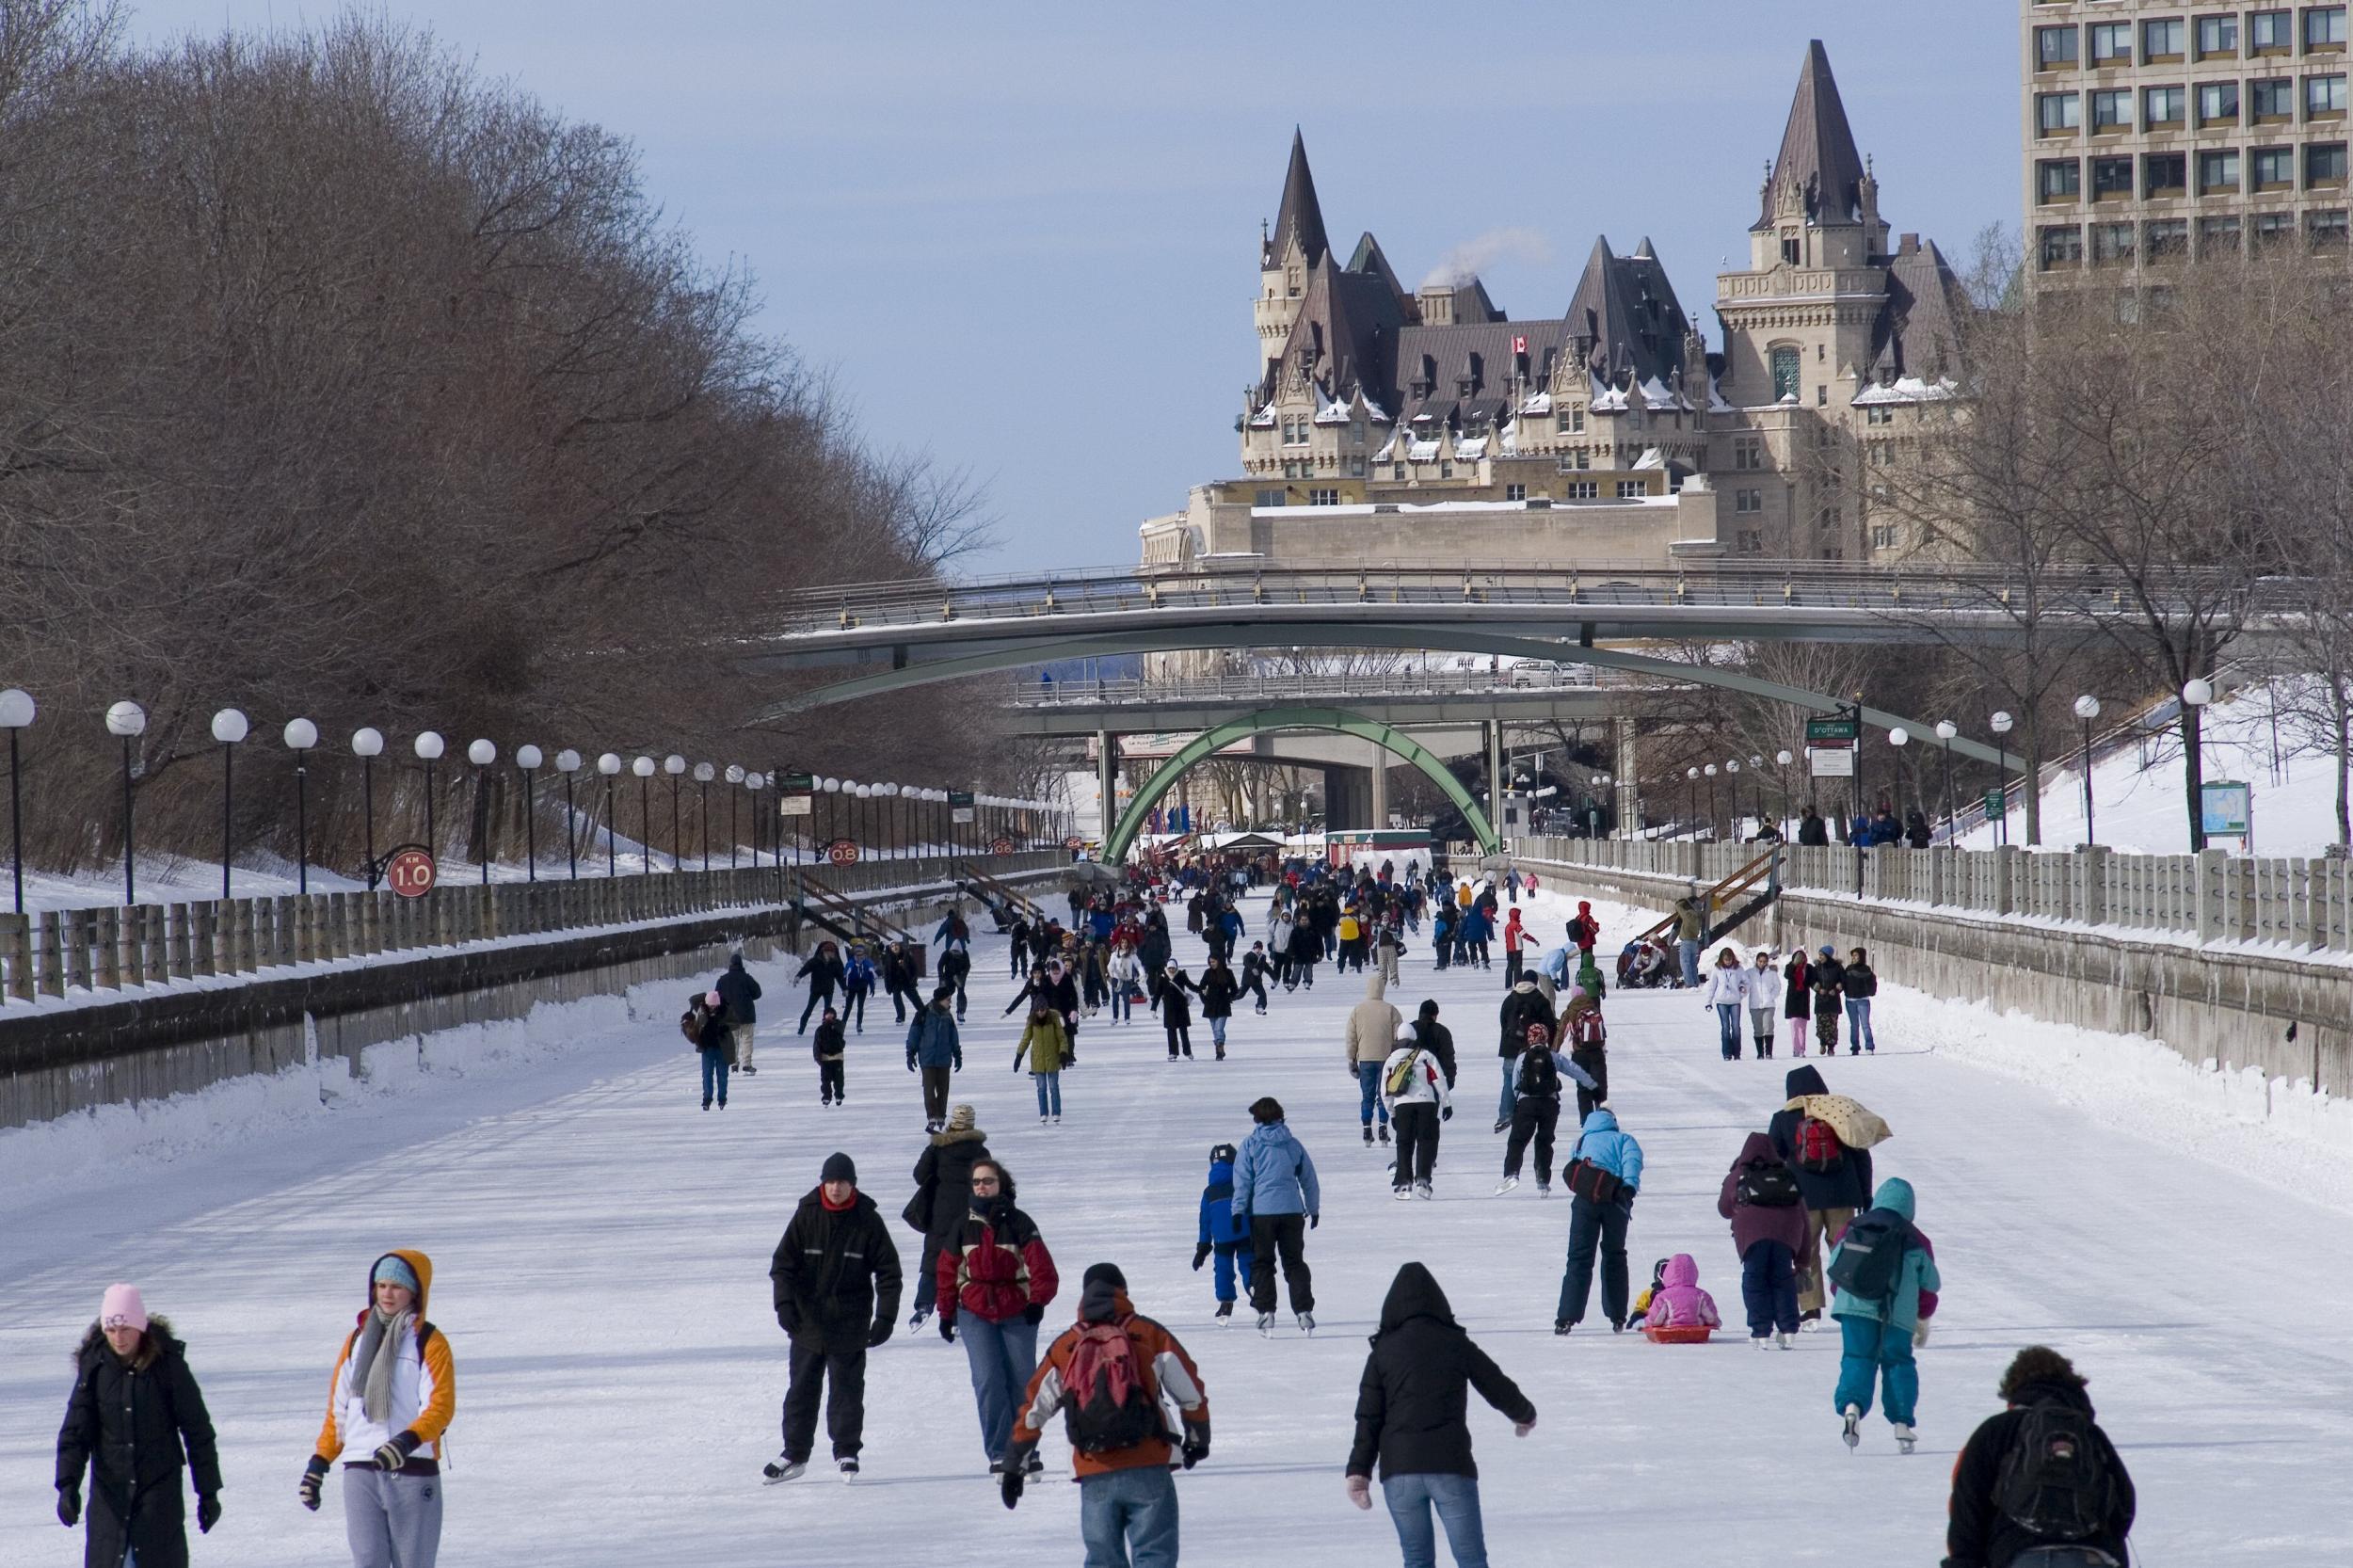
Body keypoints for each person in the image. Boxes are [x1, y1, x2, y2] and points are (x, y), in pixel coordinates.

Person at [999, 1263, 1209, 1568]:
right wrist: (1197, 1438)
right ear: (1124, 1292)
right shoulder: (1147, 1333)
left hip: (1094, 1468)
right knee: (1155, 1555)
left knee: (1103, 1560)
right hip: (1149, 1462)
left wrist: (1014, 1465)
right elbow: (1190, 1392)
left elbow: (1034, 1409)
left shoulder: (1067, 1345)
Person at [1344, 1263, 1536, 1568]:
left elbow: (1368, 1417)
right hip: (1450, 1466)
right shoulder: (1455, 1344)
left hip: (1400, 1472)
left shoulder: (1382, 1353)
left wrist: (1359, 1472)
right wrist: (1523, 1414)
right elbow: (1494, 1383)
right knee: (1471, 1560)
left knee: (1417, 1560)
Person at [300, 1252, 455, 1567]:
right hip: (360, 1468)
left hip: (412, 1468)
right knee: (367, 1561)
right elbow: (339, 1410)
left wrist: (405, 1442)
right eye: (381, 1285)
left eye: (396, 1286)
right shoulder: (357, 1340)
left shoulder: (429, 1342)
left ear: (415, 1291)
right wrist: (319, 1462)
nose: (386, 1293)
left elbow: (440, 1407)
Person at [56, 1284, 221, 1568]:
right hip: (111, 1498)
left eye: (126, 1329)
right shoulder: (94, 1369)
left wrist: (208, 1491)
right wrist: (67, 1485)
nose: (118, 1338)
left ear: (140, 1327)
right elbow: (76, 1432)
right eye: (111, 1330)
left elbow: (198, 1431)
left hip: (158, 1496)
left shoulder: (168, 1366)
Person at [766, 1152, 900, 1481]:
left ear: (852, 1185)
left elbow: (888, 1273)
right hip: (807, 1321)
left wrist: (885, 1317)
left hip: (850, 1322)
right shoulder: (807, 1215)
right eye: (830, 1181)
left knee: (847, 1391)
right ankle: (794, 1454)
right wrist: (784, 1305)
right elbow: (783, 1266)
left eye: (841, 1182)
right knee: (801, 1390)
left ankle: (847, 1452)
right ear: (822, 1183)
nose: (835, 1188)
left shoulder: (867, 1220)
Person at [1944, 1347, 2136, 1568]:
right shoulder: (2088, 1433)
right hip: (2093, 1556)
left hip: (2020, 1554)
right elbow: (2124, 1503)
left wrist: (1964, 1561)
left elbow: (1967, 1504)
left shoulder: (1996, 1430)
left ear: (2014, 1390)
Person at [936, 1158, 1060, 1474]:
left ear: (1000, 1184)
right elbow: (947, 1270)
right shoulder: (962, 1225)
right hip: (974, 1311)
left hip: (1017, 1309)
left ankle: (1025, 1449)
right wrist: (946, 1313)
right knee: (988, 1380)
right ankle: (1000, 1452)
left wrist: (1037, 1301)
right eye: (977, 1182)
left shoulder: (1019, 1222)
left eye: (988, 1181)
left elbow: (1043, 1267)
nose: (982, 1187)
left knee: (1022, 1380)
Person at [1830, 1177, 1940, 1451]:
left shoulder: (1853, 1227)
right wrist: (1922, 1312)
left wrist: (1846, 1299)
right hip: (1897, 1314)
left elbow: (1835, 1266)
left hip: (1854, 1308)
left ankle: (1852, 1408)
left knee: (1857, 1358)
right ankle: (1902, 1423)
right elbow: (1931, 1283)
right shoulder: (1916, 1238)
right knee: (1898, 1363)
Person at [1769, 1064, 1877, 1326]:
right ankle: (1849, 1300)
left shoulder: (1783, 1118)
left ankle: (1810, 1307)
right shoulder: (1838, 1112)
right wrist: (1865, 1194)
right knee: (1845, 1249)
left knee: (1806, 1252)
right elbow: (1862, 1156)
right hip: (1843, 1194)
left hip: (1805, 1198)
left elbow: (1773, 1158)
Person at [1229, 1096, 1321, 1335]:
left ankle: (1266, 1312)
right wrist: (1313, 1208)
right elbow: (1309, 1179)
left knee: (1262, 1263)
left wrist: (1238, 1210)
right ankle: (1303, 1311)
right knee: (1294, 1262)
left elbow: (1242, 1182)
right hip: (1291, 1212)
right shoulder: (1292, 1145)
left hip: (1262, 1214)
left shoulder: (1250, 1145)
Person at [1554, 1108, 1642, 1334]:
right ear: (1613, 1121)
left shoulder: (1582, 1141)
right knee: (1614, 1255)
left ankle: (1566, 1317)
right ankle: (1617, 1315)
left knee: (1578, 1258)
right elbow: (1632, 1161)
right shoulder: (1624, 1139)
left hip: (1584, 1203)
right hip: (1615, 1200)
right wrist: (1629, 1188)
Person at [1719, 1131, 1808, 1347]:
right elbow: (1804, 1217)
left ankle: (1760, 1330)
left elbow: (1724, 1209)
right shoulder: (1786, 1174)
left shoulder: (1738, 1174)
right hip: (1786, 1236)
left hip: (1752, 1237)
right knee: (1783, 1280)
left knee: (1754, 1281)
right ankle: (1788, 1329)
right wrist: (1803, 1259)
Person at [907, 1104, 992, 1327]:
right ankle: (956, 1316)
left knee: (933, 1261)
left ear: (952, 1123)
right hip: (970, 1218)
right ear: (972, 1124)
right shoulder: (981, 1153)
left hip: (940, 1215)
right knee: (963, 1266)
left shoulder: (939, 1150)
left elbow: (919, 1175)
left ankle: (924, 1304)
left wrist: (932, 1150)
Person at [1496, 1027, 1596, 1197]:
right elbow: (1574, 1070)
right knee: (1544, 1141)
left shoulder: (1521, 1058)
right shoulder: (1553, 1057)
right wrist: (1593, 1085)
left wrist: (1521, 1098)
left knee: (1518, 1140)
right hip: (1549, 1104)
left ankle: (1512, 1173)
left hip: (1527, 1103)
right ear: (1546, 1038)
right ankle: (1543, 1180)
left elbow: (1514, 1085)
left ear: (1529, 1039)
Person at [1380, 1020, 1452, 1200]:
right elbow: (1439, 1079)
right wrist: (1446, 1103)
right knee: (1425, 1141)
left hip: (1402, 1105)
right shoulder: (1425, 1055)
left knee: (1404, 1143)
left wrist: (1392, 1113)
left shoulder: (1391, 1059)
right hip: (1426, 1103)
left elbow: (1384, 1090)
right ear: (1414, 1037)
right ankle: (1423, 1179)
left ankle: (1404, 1182)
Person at [1193, 1143, 1257, 1322]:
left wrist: (1203, 1247)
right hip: (1244, 1232)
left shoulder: (1208, 1192)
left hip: (1221, 1238)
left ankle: (1225, 1302)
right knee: (1248, 1264)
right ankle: (1254, 1288)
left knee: (1222, 1269)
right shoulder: (1244, 1184)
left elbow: (1204, 1221)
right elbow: (1253, 1208)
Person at [1346, 972, 1403, 1146]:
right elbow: (1399, 1035)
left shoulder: (1358, 1010)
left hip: (1365, 1059)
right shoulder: (1391, 1010)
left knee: (1367, 1095)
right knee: (1384, 1095)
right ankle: (1383, 1128)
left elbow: (1351, 1037)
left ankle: (1366, 1129)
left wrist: (1351, 1059)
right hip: (1386, 1059)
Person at [1495, 977, 1552, 1133]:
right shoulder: (1540, 999)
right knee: (1532, 1080)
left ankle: (1505, 1115)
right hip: (1531, 1049)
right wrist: (1550, 1046)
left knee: (1508, 1080)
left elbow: (1503, 1021)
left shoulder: (1510, 999)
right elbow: (1550, 1024)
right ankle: (1529, 1115)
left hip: (1510, 1048)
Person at [904, 985, 962, 1130]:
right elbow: (914, 1034)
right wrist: (910, 1054)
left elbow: (954, 1037)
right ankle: (932, 1116)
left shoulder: (948, 1016)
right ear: (941, 1000)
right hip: (927, 1059)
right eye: (948, 1000)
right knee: (929, 1090)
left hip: (944, 1059)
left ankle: (941, 1116)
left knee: (943, 1090)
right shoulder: (923, 1013)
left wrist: (957, 1054)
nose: (950, 1002)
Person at [1639, 1254, 1721, 1342]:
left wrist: (1645, 1323)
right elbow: (1711, 1318)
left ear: (1668, 1273)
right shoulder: (1702, 1295)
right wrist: (1716, 1323)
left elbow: (1655, 1320)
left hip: (1668, 1332)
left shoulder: (1663, 1296)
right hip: (1697, 1333)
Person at [1014, 1005, 1073, 1125]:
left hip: (1052, 1058)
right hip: (1038, 1060)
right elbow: (1025, 1039)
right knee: (1041, 1089)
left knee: (1054, 1088)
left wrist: (1063, 1054)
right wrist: (1019, 1056)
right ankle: (1043, 1113)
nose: (1040, 1012)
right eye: (1038, 1010)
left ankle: (1056, 1113)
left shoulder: (1054, 1018)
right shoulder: (1032, 1020)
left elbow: (1062, 1038)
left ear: (1046, 1009)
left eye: (1043, 1010)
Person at [1561, 986, 1609, 1120]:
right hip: (1597, 1053)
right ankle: (1603, 1117)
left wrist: (1552, 1051)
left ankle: (1586, 1120)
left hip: (1579, 1054)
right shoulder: (1594, 1009)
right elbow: (1602, 1033)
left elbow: (1562, 1033)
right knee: (1600, 1086)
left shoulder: (1570, 1012)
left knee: (1583, 1088)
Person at [1701, 945, 1750, 1060]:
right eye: (1726, 960)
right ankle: (1727, 1053)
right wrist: (1709, 1001)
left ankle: (1737, 1052)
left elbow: (1746, 983)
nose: (1728, 962)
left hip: (1735, 1001)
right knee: (1726, 1027)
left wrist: (1741, 993)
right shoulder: (1717, 969)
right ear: (1722, 960)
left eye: (1730, 960)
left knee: (1736, 1027)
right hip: (1721, 1001)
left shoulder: (1739, 969)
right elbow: (1712, 986)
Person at [717, 951, 764, 1071]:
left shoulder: (722, 980)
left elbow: (717, 997)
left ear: (730, 965)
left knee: (733, 1040)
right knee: (747, 1038)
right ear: (741, 964)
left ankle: (734, 1064)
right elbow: (758, 993)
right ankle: (747, 1064)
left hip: (729, 1015)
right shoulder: (747, 978)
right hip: (746, 1013)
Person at [688, 988, 733, 1111]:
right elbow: (696, 1028)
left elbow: (735, 1025)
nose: (713, 1008)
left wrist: (725, 1029)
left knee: (722, 1074)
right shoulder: (702, 1012)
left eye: (715, 1006)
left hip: (722, 1048)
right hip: (707, 1049)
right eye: (711, 1006)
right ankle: (707, 1099)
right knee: (707, 1074)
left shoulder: (725, 1011)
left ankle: (722, 1098)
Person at [795, 940, 845, 1033]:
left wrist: (844, 989)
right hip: (816, 990)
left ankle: (825, 1030)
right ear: (825, 952)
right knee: (809, 1010)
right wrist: (798, 976)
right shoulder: (815, 961)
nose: (834, 954)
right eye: (832, 952)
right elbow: (806, 968)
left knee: (827, 1012)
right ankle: (801, 1030)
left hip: (828, 990)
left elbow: (840, 977)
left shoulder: (835, 963)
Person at [1198, 955, 1240, 1060]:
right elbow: (1201, 987)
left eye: (1214, 961)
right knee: (1215, 1029)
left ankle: (1219, 1051)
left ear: (1219, 961)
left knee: (1218, 1028)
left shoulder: (1228, 973)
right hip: (1210, 1005)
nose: (1212, 964)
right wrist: (1204, 999)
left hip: (1223, 1005)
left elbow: (1235, 989)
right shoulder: (1207, 973)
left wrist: (1228, 997)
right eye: (1210, 962)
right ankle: (1220, 1047)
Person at [1809, 945, 1847, 1055]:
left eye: (1822, 955)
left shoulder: (1837, 967)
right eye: (1819, 955)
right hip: (1821, 999)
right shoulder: (1817, 968)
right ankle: (1822, 1043)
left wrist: (1836, 990)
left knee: (1832, 1025)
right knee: (1821, 1023)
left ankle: (1831, 1047)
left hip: (1833, 1000)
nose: (1820, 957)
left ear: (1828, 956)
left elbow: (1843, 980)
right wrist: (1818, 989)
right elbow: (1812, 981)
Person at [1746, 950, 1783, 1058]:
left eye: (1764, 961)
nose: (1762, 963)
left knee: (1768, 1027)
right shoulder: (1750, 973)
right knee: (1758, 1029)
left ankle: (1769, 1052)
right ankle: (1760, 1052)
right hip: (1755, 1004)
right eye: (1760, 961)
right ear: (1757, 961)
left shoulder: (1771, 973)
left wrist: (1771, 997)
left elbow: (1777, 986)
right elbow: (1745, 984)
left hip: (1768, 1005)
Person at [1843, 947, 1880, 1054]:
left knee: (1865, 1024)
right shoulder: (1848, 968)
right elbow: (1844, 982)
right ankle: (1854, 1047)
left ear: (1861, 957)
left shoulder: (1866, 969)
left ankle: (1869, 1046)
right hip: (1850, 1001)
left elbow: (1872, 983)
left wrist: (1870, 991)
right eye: (1853, 956)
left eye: (1856, 955)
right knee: (1854, 1025)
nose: (1854, 958)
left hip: (1863, 1000)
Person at [1160, 962, 1199, 1061]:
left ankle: (1187, 1051)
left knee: (1183, 1031)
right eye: (1170, 968)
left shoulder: (1181, 975)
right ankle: (1173, 1052)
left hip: (1181, 1008)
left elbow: (1190, 985)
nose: (1172, 970)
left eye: (1173, 968)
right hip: (1169, 1008)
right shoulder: (1163, 977)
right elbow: (1158, 992)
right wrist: (1153, 1008)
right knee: (1171, 1031)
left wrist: (1200, 989)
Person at [1672, 888, 1708, 987]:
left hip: (1686, 941)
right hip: (1694, 941)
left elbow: (1678, 906)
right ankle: (1695, 982)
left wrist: (1684, 901)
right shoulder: (1699, 915)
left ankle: (1689, 983)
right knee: (1692, 963)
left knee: (1685, 963)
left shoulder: (1688, 914)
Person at [882, 937, 924, 1023]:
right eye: (892, 946)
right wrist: (888, 986)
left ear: (900, 946)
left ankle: (924, 1013)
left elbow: (914, 968)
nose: (895, 947)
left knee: (914, 997)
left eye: (896, 945)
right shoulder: (889, 957)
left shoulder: (906, 955)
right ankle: (900, 1016)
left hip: (907, 980)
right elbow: (886, 973)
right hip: (896, 982)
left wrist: (912, 978)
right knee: (897, 999)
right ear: (890, 948)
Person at [1781, 948, 1814, 1057]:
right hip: (1793, 999)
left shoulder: (1808, 968)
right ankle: (1795, 1048)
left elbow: (1812, 981)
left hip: (1804, 999)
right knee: (1794, 1024)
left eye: (1802, 957)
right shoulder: (1790, 967)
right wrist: (1794, 964)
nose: (1800, 959)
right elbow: (1787, 975)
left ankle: (1802, 1049)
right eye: (1798, 957)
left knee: (1802, 1027)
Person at [813, 1005, 848, 1106]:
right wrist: (817, 1057)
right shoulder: (820, 1029)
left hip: (837, 1058)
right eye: (827, 1015)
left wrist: (832, 1025)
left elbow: (841, 1038)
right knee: (825, 1080)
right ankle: (827, 1096)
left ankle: (839, 1095)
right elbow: (816, 1044)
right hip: (825, 1059)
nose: (829, 1017)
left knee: (839, 1080)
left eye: (831, 1015)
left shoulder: (838, 1027)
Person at [840, 944, 875, 1033]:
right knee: (848, 1007)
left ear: (864, 954)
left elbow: (871, 976)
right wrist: (845, 987)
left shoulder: (867, 963)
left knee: (860, 1006)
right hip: (852, 987)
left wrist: (872, 987)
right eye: (857, 954)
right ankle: (842, 1025)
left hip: (862, 987)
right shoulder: (851, 962)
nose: (859, 956)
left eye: (861, 954)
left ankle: (859, 1024)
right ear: (855, 954)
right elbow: (846, 972)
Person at [1241, 941, 1273, 1014]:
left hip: (1257, 981)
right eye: (1256, 948)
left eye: (1259, 948)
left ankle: (1260, 1007)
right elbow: (1246, 962)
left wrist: (1274, 977)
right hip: (1247, 980)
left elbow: (1267, 968)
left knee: (1262, 994)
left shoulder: (1262, 957)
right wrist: (1252, 968)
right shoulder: (1249, 955)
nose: (1258, 950)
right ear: (1254, 948)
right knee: (1240, 994)